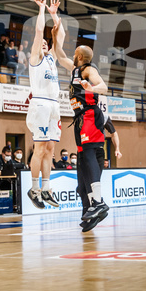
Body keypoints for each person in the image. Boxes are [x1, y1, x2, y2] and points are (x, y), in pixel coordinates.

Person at [53, 19, 110, 231]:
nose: (72, 54)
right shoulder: (74, 69)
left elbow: (103, 86)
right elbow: (59, 55)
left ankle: (98, 202)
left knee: (87, 157)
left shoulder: (88, 70)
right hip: (79, 121)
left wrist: (90, 87)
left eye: (75, 52)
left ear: (79, 57)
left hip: (89, 116)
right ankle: (89, 212)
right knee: (81, 173)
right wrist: (55, 32)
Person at [25, 0, 62, 210]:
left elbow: (58, 37)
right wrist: (41, 11)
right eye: (42, 44)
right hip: (40, 104)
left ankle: (47, 188)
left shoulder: (51, 60)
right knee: (39, 149)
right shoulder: (35, 59)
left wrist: (54, 14)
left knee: (50, 149)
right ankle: (34, 188)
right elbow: (41, 32)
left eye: (46, 43)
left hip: (54, 106)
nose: (45, 44)